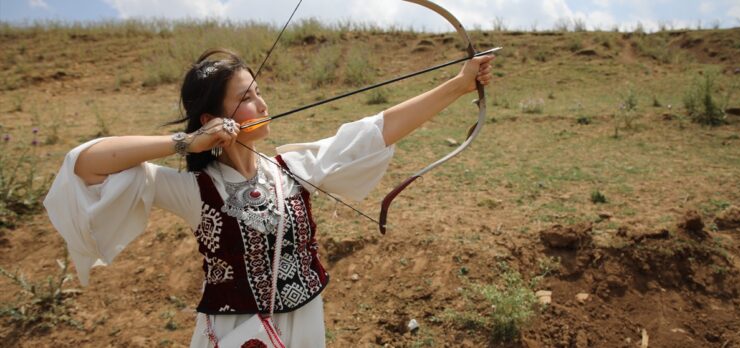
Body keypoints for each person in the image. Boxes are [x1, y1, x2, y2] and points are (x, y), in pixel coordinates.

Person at [44, 48, 494, 347]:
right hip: (235, 332)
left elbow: (377, 130)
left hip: (304, 327)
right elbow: (85, 163)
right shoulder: (190, 190)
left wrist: (459, 84)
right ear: (212, 117)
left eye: (259, 93)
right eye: (246, 98)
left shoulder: (293, 169)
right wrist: (188, 142)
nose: (262, 104)